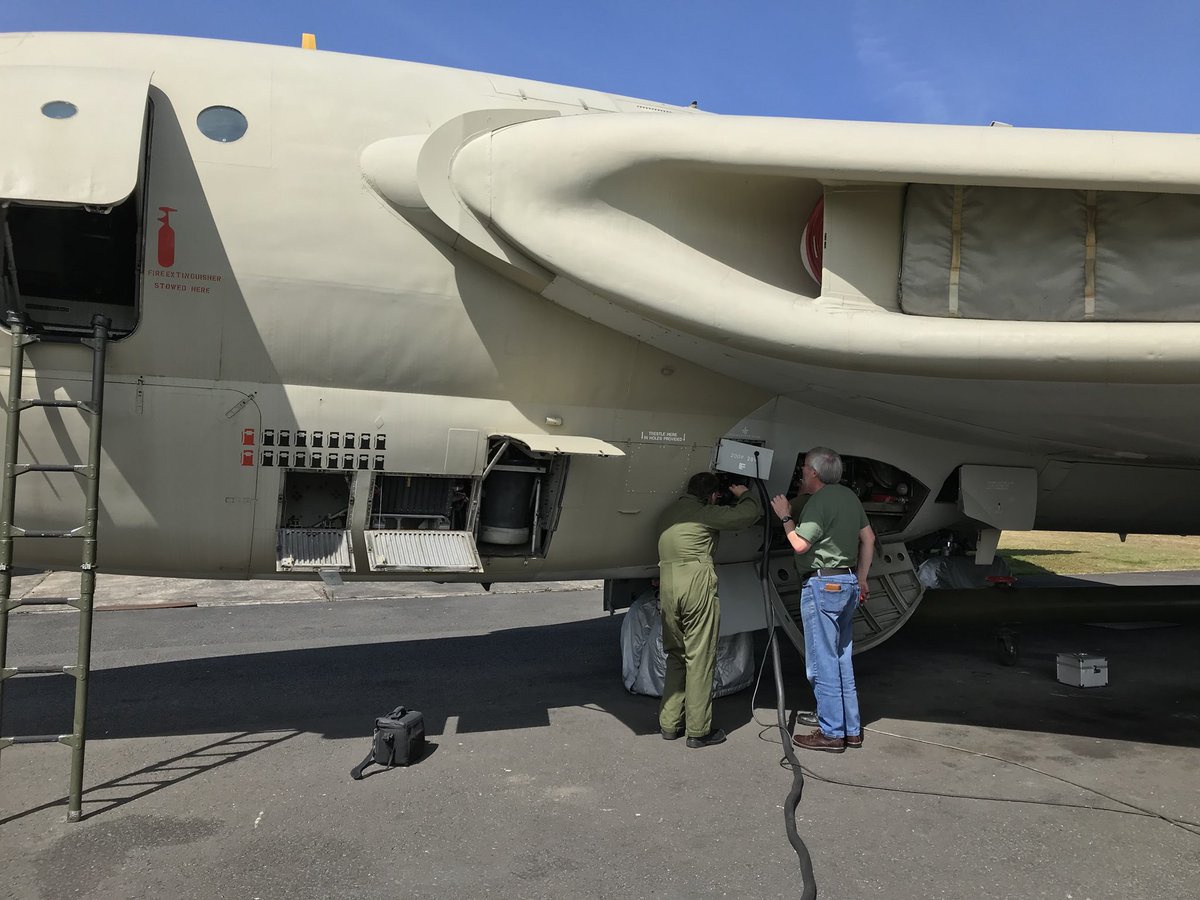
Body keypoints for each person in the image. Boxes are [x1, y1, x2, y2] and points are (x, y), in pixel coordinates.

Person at [770, 448, 875, 753]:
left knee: (821, 663)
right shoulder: (850, 497)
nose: (801, 472)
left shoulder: (819, 502)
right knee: (841, 658)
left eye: (804, 468)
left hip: (822, 585)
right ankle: (851, 730)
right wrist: (862, 577)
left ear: (813, 473)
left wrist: (785, 515)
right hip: (847, 582)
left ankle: (831, 733)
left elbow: (800, 544)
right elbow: (868, 539)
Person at [656, 471, 761, 748]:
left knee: (676, 655)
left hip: (667, 583)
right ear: (712, 495)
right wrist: (743, 495)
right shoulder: (703, 513)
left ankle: (669, 724)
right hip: (695, 581)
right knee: (699, 658)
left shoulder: (668, 513)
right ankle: (698, 731)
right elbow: (749, 515)